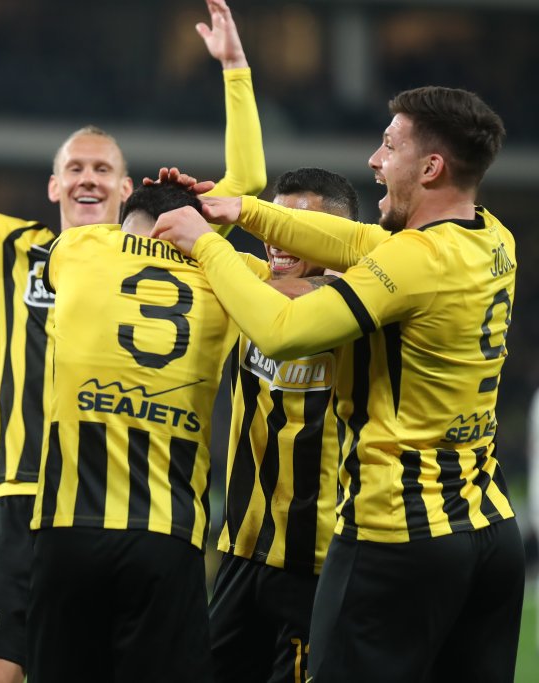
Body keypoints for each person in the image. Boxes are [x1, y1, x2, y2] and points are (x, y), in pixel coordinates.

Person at [0, 1, 264, 679]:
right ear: (53, 184)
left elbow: (245, 186)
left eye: (102, 169)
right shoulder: (20, 246)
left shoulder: (173, 251)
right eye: (75, 167)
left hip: (109, 503)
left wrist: (234, 69)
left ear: (127, 188)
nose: (87, 177)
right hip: (29, 490)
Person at [152, 85, 523, 682]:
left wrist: (205, 245)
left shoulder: (414, 263)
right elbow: (355, 241)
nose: (375, 160)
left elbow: (283, 331)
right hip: (488, 525)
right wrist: (240, 210)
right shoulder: (492, 237)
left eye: (390, 146)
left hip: (399, 530)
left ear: (431, 167)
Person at [208, 167, 359, 683]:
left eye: (295, 227)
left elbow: (322, 294)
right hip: (240, 549)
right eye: (272, 223)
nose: (276, 238)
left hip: (317, 560)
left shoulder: (368, 298)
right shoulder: (250, 282)